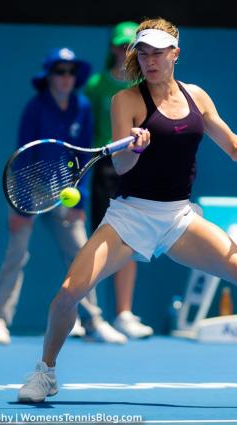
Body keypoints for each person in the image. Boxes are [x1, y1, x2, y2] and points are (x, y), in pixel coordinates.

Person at [17, 19, 237, 405]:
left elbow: (236, 148)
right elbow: (121, 169)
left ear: (175, 54)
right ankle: (45, 372)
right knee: (69, 293)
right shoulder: (126, 101)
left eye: (158, 52)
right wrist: (132, 149)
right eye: (144, 53)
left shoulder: (198, 98)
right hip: (129, 217)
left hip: (179, 218)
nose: (150, 61)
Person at [0, 47, 127, 345]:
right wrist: (19, 207)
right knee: (17, 255)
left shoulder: (83, 107)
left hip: (66, 190)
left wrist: (81, 197)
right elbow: (22, 158)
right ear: (49, 76)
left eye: (70, 72)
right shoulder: (35, 108)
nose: (65, 78)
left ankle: (93, 321)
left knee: (81, 253)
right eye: (59, 72)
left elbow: (81, 156)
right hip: (32, 190)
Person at [85, 21, 153, 339]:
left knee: (131, 240)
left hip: (138, 166)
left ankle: (123, 314)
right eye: (119, 44)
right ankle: (88, 315)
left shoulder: (146, 84)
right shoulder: (96, 85)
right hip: (104, 169)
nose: (123, 50)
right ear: (111, 48)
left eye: (130, 46)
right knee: (100, 240)